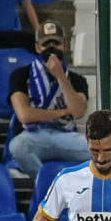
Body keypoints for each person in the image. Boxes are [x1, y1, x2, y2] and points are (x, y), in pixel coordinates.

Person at [8, 20, 90, 179]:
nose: (52, 49)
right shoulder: (20, 75)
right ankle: (50, 183)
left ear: (64, 46)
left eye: (56, 43)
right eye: (46, 44)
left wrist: (60, 76)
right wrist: (64, 112)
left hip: (66, 135)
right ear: (38, 47)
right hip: (33, 134)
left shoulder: (77, 79)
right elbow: (24, 115)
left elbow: (78, 111)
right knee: (18, 147)